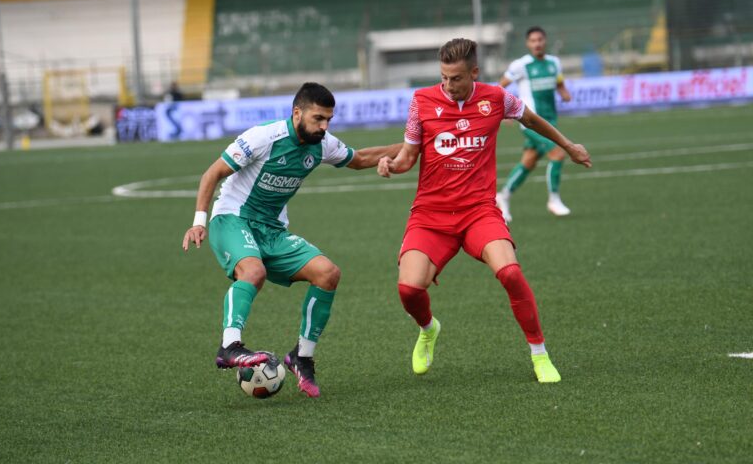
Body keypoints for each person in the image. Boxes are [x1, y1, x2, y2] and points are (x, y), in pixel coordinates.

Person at [377, 38, 591, 383]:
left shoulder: (496, 98)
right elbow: (408, 156)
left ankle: (540, 355)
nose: (448, 85)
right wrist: (391, 165)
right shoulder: (421, 101)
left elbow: (533, 120)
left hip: (479, 211)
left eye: (456, 78)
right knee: (409, 289)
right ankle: (428, 329)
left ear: (474, 73)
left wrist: (568, 145)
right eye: (444, 77)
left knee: (510, 273)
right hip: (431, 215)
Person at [183, 82, 401, 398]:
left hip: (272, 230)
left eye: (328, 119)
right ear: (297, 112)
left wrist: (412, 145)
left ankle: (302, 356)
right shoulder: (263, 138)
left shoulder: (322, 143)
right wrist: (198, 222)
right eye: (318, 119)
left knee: (328, 274)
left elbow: (361, 158)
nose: (324, 126)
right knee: (253, 272)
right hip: (233, 219)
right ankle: (230, 346)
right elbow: (211, 174)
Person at [496, 26, 573, 223]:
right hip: (530, 123)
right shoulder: (521, 65)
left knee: (528, 161)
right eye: (533, 40)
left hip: (550, 121)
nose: (537, 43)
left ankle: (503, 196)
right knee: (558, 153)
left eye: (540, 39)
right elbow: (499, 88)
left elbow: (559, 82)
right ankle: (554, 200)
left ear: (545, 41)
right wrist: (503, 111)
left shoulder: (554, 63)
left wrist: (564, 93)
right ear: (527, 44)